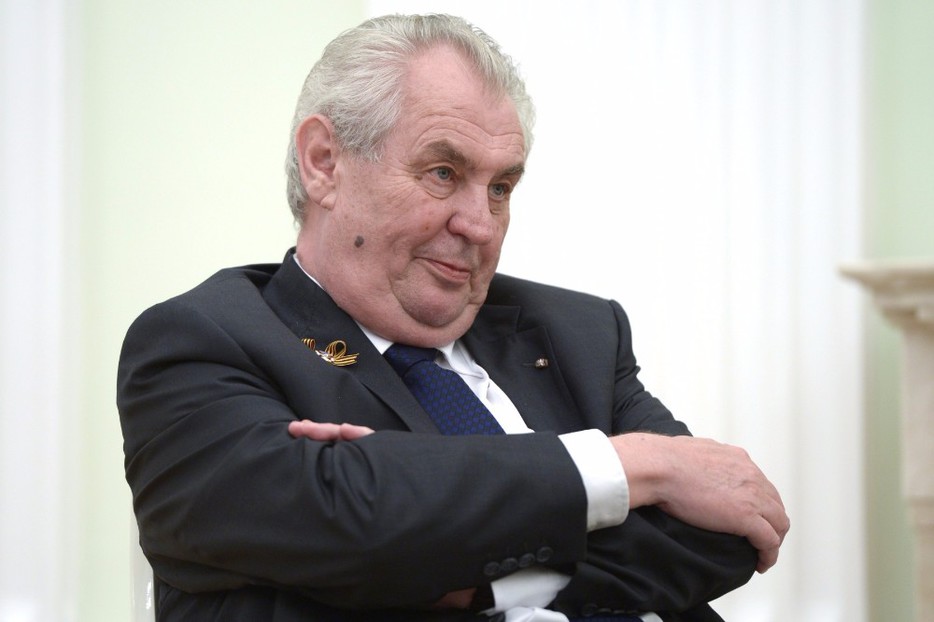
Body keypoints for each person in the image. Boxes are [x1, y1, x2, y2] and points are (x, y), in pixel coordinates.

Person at [118, 14, 788, 622]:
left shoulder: (578, 333)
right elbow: (344, 520)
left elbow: (728, 528)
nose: (480, 225)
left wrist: (463, 579)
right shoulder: (204, 342)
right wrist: (633, 466)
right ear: (324, 163)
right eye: (443, 172)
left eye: (500, 188)